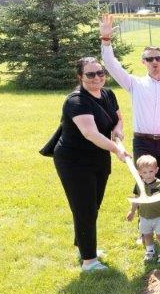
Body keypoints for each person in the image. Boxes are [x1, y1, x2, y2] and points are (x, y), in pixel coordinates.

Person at [53, 57, 129, 272]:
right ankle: (89, 261)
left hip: (98, 158)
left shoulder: (108, 94)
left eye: (100, 73)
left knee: (91, 206)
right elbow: (90, 133)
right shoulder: (76, 101)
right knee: (84, 208)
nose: (97, 78)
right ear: (80, 77)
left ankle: (83, 247)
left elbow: (117, 119)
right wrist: (117, 149)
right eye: (90, 74)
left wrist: (118, 131)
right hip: (74, 161)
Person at [100, 14, 160, 197]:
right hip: (143, 142)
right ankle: (145, 225)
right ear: (143, 62)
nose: (154, 62)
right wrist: (106, 40)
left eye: (158, 58)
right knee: (143, 185)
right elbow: (110, 64)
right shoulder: (134, 83)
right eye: (150, 59)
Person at [125, 155, 160, 264]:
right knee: (147, 235)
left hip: (159, 216)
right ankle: (150, 251)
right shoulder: (139, 185)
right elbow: (136, 199)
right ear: (139, 173)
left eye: (151, 171)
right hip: (144, 217)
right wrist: (132, 211)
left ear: (156, 170)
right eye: (144, 172)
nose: (148, 175)